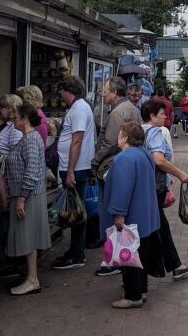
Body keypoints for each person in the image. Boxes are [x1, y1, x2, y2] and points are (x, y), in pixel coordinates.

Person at [102, 121, 164, 308]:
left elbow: (122, 189)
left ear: (126, 137)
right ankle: (141, 291)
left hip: (132, 218)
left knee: (128, 256)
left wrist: (118, 214)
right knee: (141, 257)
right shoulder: (143, 154)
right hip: (145, 216)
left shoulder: (124, 158)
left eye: (120, 133)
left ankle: (133, 296)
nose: (118, 137)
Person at [92, 76, 141, 276]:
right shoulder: (132, 109)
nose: (103, 94)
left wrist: (94, 162)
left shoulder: (117, 113)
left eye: (105, 91)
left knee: (109, 211)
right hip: (126, 164)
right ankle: (122, 253)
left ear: (113, 93)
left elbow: (110, 143)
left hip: (112, 166)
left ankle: (113, 258)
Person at [141, 100, 188, 280]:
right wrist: (180, 174)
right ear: (152, 116)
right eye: (162, 114)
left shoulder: (138, 131)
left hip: (144, 186)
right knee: (155, 228)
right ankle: (147, 269)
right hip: (155, 187)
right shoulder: (155, 132)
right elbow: (159, 160)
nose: (166, 117)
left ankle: (173, 264)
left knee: (159, 226)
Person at [5, 102, 53, 295]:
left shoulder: (31, 139)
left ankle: (32, 279)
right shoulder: (29, 138)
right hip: (28, 194)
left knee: (29, 238)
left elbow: (32, 171)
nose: (12, 119)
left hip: (30, 195)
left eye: (15, 116)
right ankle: (31, 278)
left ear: (25, 119)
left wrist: (22, 198)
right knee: (28, 238)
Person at [52, 76, 96, 270]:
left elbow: (77, 140)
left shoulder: (78, 109)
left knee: (76, 211)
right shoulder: (80, 107)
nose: (59, 94)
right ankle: (75, 251)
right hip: (76, 167)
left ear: (66, 89)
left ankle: (77, 254)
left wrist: (70, 170)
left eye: (60, 90)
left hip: (76, 169)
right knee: (76, 209)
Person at [0, 93, 24, 281]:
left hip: (7, 183)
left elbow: (17, 157)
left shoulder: (14, 130)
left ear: (11, 110)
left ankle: (4, 262)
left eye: (2, 107)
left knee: (2, 222)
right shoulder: (6, 127)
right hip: (0, 179)